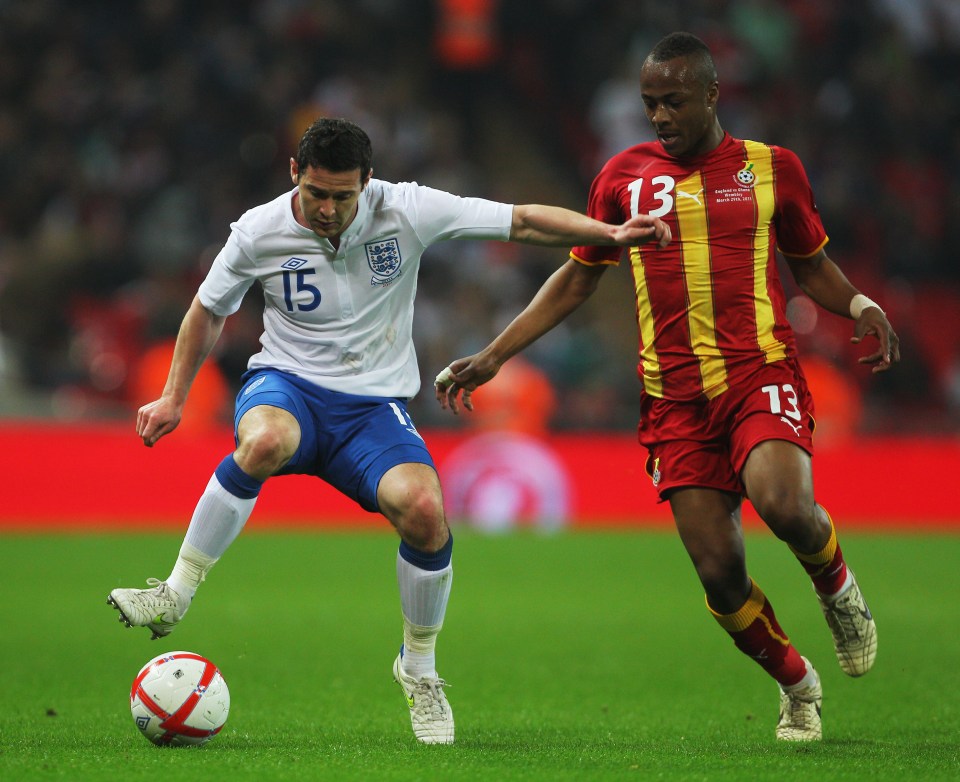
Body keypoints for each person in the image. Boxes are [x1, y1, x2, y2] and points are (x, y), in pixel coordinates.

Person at [106, 117, 671, 746]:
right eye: (316, 193)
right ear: (295, 173)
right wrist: (174, 397)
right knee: (263, 440)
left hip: (372, 410)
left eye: (342, 197)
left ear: (367, 183)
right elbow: (207, 310)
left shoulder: (408, 209)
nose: (327, 209)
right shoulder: (258, 230)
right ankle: (175, 594)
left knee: (426, 512)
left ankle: (420, 669)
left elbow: (523, 220)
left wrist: (611, 231)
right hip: (287, 386)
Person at [435, 32, 899, 742]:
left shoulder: (772, 169)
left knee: (785, 504)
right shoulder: (623, 175)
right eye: (651, 103)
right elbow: (580, 275)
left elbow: (811, 266)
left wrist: (860, 303)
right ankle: (796, 683)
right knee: (719, 573)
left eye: (674, 101)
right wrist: (495, 354)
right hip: (675, 400)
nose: (660, 116)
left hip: (757, 371)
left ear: (713, 95)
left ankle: (836, 587)